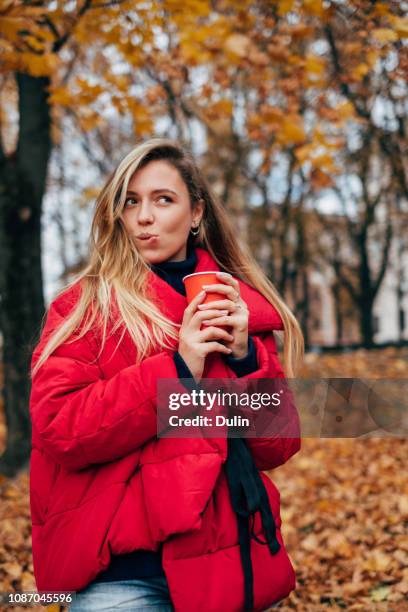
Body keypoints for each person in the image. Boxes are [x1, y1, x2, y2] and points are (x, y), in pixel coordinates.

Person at [29, 138, 304, 612]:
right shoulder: (84, 308)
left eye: (163, 199)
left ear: (196, 213)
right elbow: (60, 428)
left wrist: (242, 361)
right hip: (122, 575)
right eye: (130, 201)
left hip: (231, 562)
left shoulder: (233, 306)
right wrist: (177, 370)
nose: (144, 217)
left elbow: (277, 446)